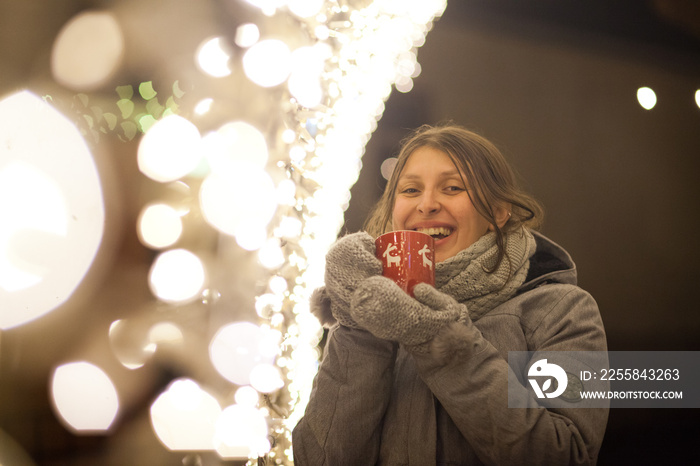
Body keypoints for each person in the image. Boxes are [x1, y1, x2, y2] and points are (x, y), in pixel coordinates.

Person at [292, 124, 608, 465]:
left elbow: (567, 455)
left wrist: (438, 339)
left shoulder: (563, 310)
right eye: (410, 190)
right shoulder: (369, 314)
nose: (427, 205)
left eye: (453, 187)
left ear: (498, 213)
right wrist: (360, 326)